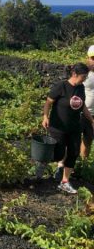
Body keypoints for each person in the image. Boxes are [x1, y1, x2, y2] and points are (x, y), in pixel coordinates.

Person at [42, 62, 94, 194]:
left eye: (86, 76)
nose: (85, 79)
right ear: (75, 74)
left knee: (73, 152)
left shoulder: (81, 88)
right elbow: (48, 102)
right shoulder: (62, 86)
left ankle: (65, 182)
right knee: (58, 153)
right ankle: (42, 163)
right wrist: (45, 117)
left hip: (74, 127)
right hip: (58, 127)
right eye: (83, 76)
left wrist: (91, 120)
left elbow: (82, 106)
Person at [80, 45, 94, 159]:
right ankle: (63, 166)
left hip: (93, 115)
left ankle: (83, 164)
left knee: (88, 140)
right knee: (71, 139)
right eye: (93, 58)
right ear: (88, 58)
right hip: (80, 112)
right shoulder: (83, 73)